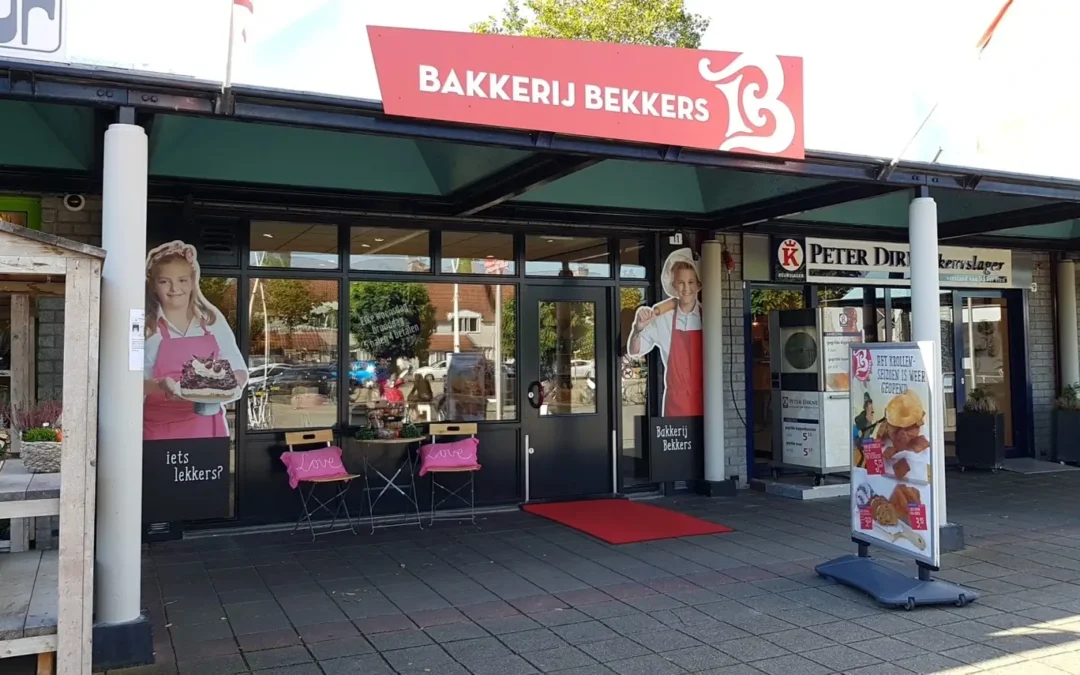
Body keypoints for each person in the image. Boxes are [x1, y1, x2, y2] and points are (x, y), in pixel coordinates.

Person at [143, 240, 247, 441]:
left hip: (207, 428)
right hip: (159, 429)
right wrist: (160, 386)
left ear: (192, 282)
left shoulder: (212, 322)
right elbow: (129, 383)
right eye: (165, 281)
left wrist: (235, 382)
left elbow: (237, 367)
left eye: (182, 280)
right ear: (153, 285)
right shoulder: (147, 329)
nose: (175, 289)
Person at [627, 248, 703, 416]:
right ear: (674, 286)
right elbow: (634, 350)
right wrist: (637, 328)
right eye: (681, 283)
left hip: (705, 404)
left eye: (690, 282)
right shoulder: (664, 319)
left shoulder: (708, 319)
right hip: (675, 405)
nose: (686, 288)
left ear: (698, 284)